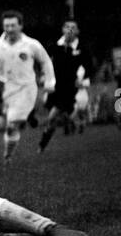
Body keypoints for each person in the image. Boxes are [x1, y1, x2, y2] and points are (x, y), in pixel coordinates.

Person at [0, 11, 54, 164]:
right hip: (6, 89)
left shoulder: (31, 44)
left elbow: (46, 62)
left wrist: (49, 82)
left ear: (21, 26)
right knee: (6, 124)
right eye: (6, 25)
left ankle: (8, 155)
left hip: (26, 89)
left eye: (13, 25)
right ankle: (9, 152)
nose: (9, 29)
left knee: (11, 124)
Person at [39, 19, 94, 153]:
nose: (70, 29)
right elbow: (45, 63)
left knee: (53, 116)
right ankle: (61, 127)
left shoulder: (82, 48)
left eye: (73, 27)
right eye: (67, 27)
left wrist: (83, 78)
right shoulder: (54, 45)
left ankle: (47, 138)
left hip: (70, 87)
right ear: (63, 29)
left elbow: (89, 67)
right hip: (55, 86)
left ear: (77, 31)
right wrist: (43, 75)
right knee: (54, 118)